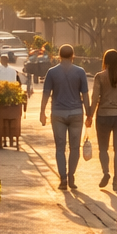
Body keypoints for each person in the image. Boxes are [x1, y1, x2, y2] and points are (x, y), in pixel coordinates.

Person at [39, 44, 90, 190]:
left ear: (59, 56)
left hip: (58, 114)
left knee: (60, 148)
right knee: (75, 148)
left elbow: (46, 93)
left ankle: (63, 178)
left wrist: (42, 112)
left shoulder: (52, 72)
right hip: (76, 113)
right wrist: (89, 114)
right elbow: (85, 95)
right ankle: (72, 176)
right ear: (73, 55)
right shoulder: (80, 72)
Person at [85, 49, 117, 192]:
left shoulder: (99, 77)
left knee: (103, 148)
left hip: (103, 116)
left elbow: (95, 98)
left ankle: (106, 172)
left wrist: (89, 116)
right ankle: (116, 180)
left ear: (105, 61)